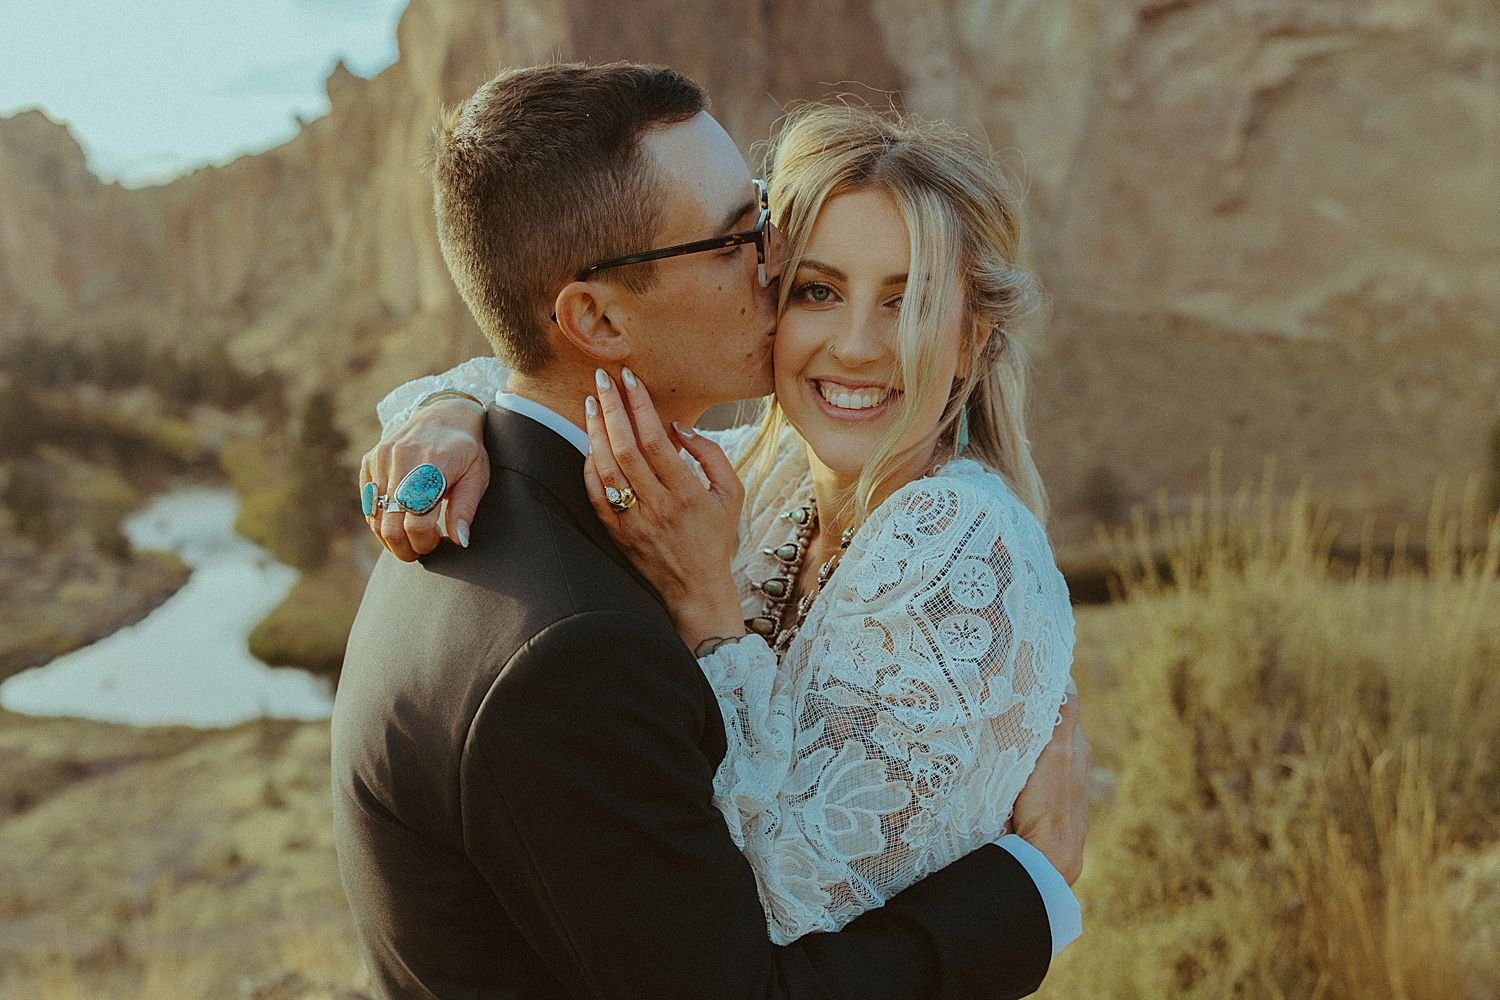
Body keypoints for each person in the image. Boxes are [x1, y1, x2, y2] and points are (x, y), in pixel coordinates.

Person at [336, 61, 1088, 1000]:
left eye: (910, 299)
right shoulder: (732, 493)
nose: (767, 274)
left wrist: (708, 611)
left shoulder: (953, 543)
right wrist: (451, 408)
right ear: (596, 318)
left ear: (975, 334)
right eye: (792, 272)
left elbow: (782, 906)